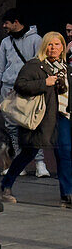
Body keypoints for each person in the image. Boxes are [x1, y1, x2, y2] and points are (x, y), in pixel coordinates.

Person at [0, 32, 68, 203]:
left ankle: (67, 193)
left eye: (57, 45)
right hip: (41, 118)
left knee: (65, 153)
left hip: (62, 116)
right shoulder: (34, 65)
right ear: (44, 46)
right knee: (29, 152)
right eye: (50, 45)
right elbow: (20, 85)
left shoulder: (66, 68)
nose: (53, 48)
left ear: (62, 47)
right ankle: (7, 183)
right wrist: (44, 83)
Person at [0, 9, 48, 177]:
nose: (4, 26)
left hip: (28, 89)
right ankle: (19, 163)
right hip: (9, 88)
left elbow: (40, 65)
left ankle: (40, 163)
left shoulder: (36, 40)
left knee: (33, 126)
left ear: (16, 22)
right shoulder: (5, 43)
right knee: (12, 128)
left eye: (6, 23)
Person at [57, 22, 72, 207]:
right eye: (67, 31)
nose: (69, 34)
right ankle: (67, 192)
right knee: (65, 151)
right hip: (63, 110)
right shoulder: (62, 53)